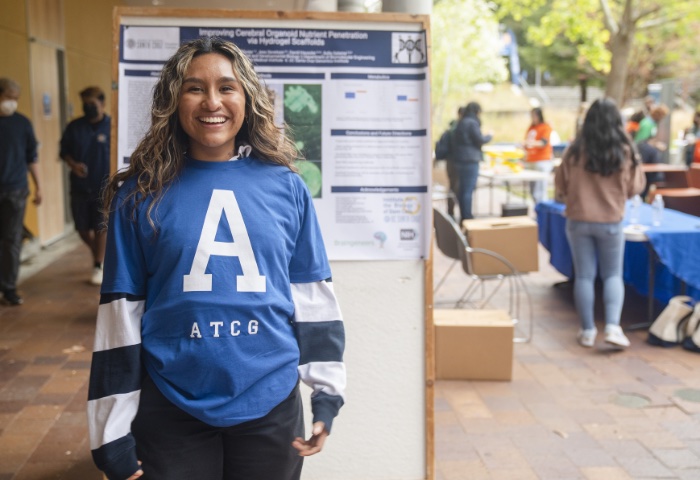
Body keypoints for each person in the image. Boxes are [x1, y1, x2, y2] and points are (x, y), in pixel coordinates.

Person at [87, 37, 346, 480]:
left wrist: (325, 394)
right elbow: (120, 316)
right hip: (171, 404)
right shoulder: (140, 196)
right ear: (174, 100)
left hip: (270, 401)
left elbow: (312, 296)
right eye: (194, 88)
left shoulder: (287, 188)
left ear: (246, 98)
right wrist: (110, 435)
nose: (212, 102)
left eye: (226, 87)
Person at [554, 98, 646, 348]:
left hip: (578, 219)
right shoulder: (625, 150)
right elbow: (635, 188)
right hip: (610, 221)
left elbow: (560, 184)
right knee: (612, 275)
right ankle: (613, 328)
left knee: (584, 276)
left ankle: (587, 331)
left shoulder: (574, 150)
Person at [60, 86, 111, 286]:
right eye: (85, 104)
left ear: (102, 104)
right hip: (80, 186)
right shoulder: (74, 127)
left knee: (100, 227)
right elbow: (64, 151)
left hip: (104, 186)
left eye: (92, 104)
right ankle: (100, 254)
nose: (88, 108)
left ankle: (98, 263)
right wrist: (73, 165)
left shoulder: (111, 126)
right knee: (81, 229)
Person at [0, 78, 42, 306]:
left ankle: (8, 288)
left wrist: (39, 186)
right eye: (9, 97)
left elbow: (31, 158)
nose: (12, 103)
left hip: (15, 189)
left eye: (15, 99)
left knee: (11, 240)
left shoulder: (22, 124)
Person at [449, 102, 492, 222]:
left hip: (459, 160)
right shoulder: (472, 123)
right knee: (467, 190)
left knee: (462, 190)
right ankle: (467, 217)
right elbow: (480, 139)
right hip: (470, 160)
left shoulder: (460, 122)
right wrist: (489, 136)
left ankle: (464, 215)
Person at [524, 107, 553, 205]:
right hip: (531, 160)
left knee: (540, 190)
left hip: (542, 160)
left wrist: (531, 143)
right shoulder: (531, 128)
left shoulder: (545, 127)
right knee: (533, 190)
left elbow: (543, 142)